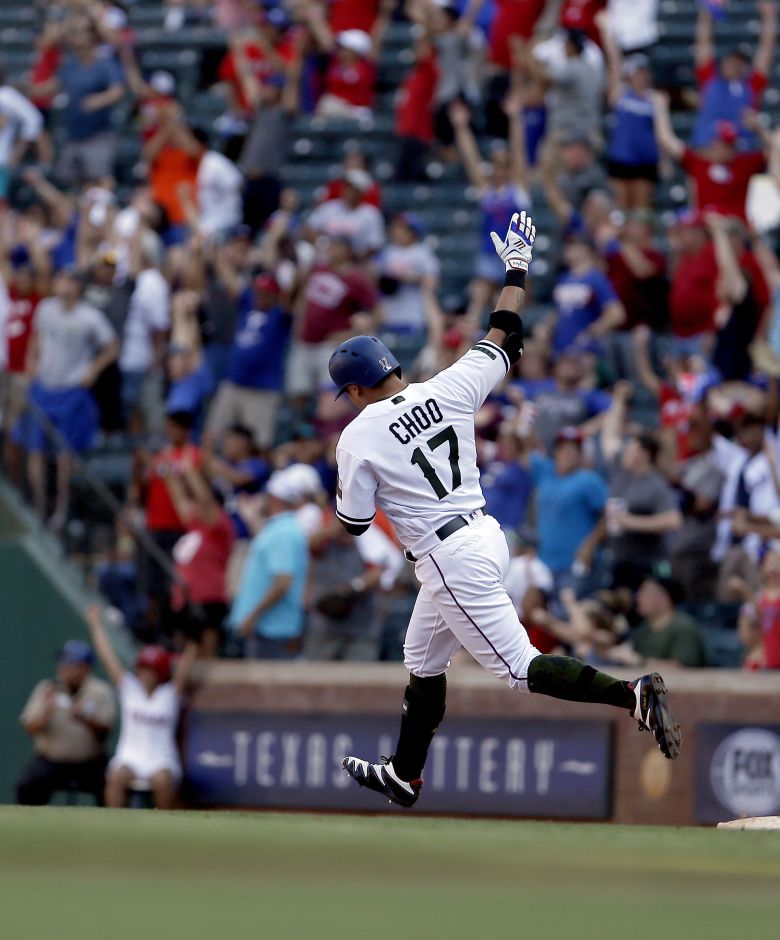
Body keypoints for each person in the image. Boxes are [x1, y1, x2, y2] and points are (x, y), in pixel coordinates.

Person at [330, 210, 680, 810]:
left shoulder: (358, 435)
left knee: (520, 669)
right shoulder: (449, 384)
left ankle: (632, 694)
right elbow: (505, 330)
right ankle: (405, 774)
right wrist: (517, 267)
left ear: (357, 389)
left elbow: (354, 524)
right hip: (486, 532)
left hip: (446, 554)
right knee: (422, 656)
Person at [19, 266, 119, 527]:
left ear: (78, 286)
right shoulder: (45, 308)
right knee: (35, 450)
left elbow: (112, 346)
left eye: (70, 281)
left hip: (71, 390)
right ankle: (39, 506)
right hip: (43, 386)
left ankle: (61, 510)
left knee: (65, 456)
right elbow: (36, 337)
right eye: (62, 278)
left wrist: (93, 370)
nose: (64, 285)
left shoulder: (90, 317)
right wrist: (31, 361)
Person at [85, 605, 198, 809]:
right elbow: (107, 657)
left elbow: (185, 666)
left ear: (160, 673)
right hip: (130, 755)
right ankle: (115, 826)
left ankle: (163, 829)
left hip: (161, 758)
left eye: (151, 670)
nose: (145, 674)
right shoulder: (130, 688)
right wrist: (96, 625)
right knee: (116, 777)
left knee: (163, 782)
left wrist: (192, 638)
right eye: (143, 669)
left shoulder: (170, 694)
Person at [16, 640, 116, 806]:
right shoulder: (48, 688)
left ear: (85, 668)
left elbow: (106, 731)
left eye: (70, 663)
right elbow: (30, 727)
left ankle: (114, 827)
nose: (63, 668)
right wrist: (47, 710)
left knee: (111, 787)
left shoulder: (100, 691)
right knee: (26, 786)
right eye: (63, 662)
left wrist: (84, 717)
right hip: (50, 761)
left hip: (90, 763)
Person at [228, 468, 309, 659]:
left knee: (269, 688)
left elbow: (282, 582)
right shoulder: (279, 529)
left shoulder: (284, 532)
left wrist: (253, 615)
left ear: (275, 499)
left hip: (272, 631)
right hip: (268, 630)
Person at [631, 576, 708, 668]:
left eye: (646, 592)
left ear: (665, 598)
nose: (638, 597)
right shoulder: (645, 628)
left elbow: (682, 669)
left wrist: (639, 661)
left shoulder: (683, 627)